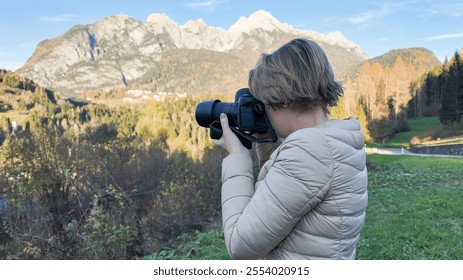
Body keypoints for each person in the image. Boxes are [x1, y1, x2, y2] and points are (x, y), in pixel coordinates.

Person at [214, 38, 368, 260]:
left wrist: (237, 157)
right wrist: (267, 142)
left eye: (265, 105)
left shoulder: (310, 151)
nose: (265, 112)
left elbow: (240, 245)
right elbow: (281, 201)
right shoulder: (338, 140)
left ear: (282, 99)